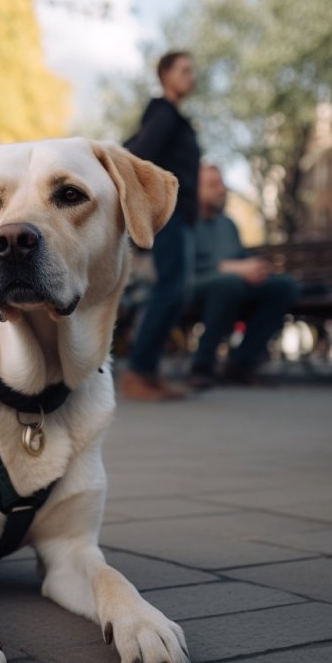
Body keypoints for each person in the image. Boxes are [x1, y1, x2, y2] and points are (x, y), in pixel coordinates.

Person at [119, 51, 201, 401]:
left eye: (191, 70)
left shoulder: (171, 116)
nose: (191, 76)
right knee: (169, 290)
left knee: (176, 291)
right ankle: (138, 371)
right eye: (184, 70)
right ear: (165, 75)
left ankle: (149, 372)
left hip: (179, 216)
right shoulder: (164, 114)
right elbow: (139, 154)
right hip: (168, 215)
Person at [186, 166, 299, 389]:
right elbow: (186, 266)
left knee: (284, 286)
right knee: (228, 283)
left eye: (222, 183)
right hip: (195, 285)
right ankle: (202, 365)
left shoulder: (228, 224)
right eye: (213, 185)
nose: (221, 190)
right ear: (195, 189)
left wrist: (256, 267)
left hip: (235, 285)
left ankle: (241, 363)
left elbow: (241, 257)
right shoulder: (185, 223)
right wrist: (233, 268)